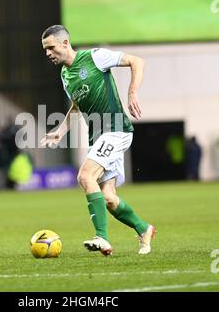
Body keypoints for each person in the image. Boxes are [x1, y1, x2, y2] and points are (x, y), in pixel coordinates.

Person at [41, 25, 155, 256]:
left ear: (65, 43)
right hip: (98, 138)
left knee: (85, 175)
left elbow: (137, 61)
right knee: (109, 199)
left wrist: (132, 92)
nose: (48, 53)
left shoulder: (94, 57)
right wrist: (60, 131)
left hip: (116, 130)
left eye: (51, 48)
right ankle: (144, 228)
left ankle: (101, 237)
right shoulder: (64, 76)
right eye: (45, 50)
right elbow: (76, 106)